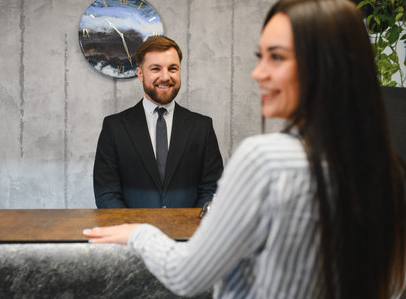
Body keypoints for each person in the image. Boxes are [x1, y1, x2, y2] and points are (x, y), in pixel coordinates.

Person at [84, 0, 406, 298]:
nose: (258, 73)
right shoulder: (387, 171)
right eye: (260, 57)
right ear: (140, 72)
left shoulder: (264, 160)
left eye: (276, 57)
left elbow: (185, 275)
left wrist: (140, 233)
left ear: (326, 65)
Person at [93, 36, 224, 208]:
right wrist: (136, 233)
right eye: (155, 69)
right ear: (140, 74)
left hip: (189, 233)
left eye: (172, 68)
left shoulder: (202, 127)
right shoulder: (114, 128)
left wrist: (189, 228)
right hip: (132, 233)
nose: (165, 77)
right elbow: (106, 193)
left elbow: (212, 189)